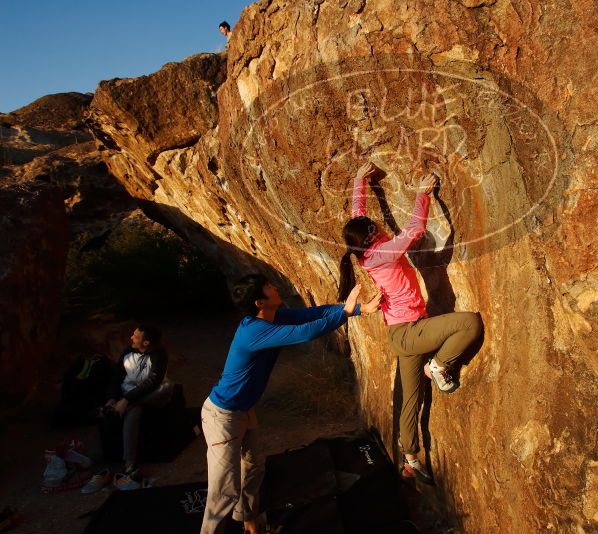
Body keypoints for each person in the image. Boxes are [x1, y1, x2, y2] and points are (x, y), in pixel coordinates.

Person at [337, 161, 483, 484]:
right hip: (409, 332)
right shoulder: (383, 252)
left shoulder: (364, 249)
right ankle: (440, 367)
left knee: (410, 398)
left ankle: (410, 458)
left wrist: (361, 181)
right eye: (374, 224)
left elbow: (357, 213)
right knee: (470, 324)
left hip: (400, 331)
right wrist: (423, 195)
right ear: (373, 234)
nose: (376, 221)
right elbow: (414, 231)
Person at [201, 274, 381, 534]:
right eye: (268, 288)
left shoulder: (275, 316)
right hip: (223, 416)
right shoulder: (254, 330)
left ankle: (249, 522)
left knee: (253, 467)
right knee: (224, 490)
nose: (274, 287)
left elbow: (314, 314)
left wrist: (358, 310)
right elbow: (305, 333)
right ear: (260, 302)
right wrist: (345, 314)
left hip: (243, 410)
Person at [104, 324, 174, 480]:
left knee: (168, 386)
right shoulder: (127, 352)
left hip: (150, 395)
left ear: (146, 343)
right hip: (130, 394)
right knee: (134, 411)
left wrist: (126, 401)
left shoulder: (159, 354)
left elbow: (152, 382)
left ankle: (125, 406)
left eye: (135, 336)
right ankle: (129, 463)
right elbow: (117, 376)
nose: (131, 338)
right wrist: (112, 398)